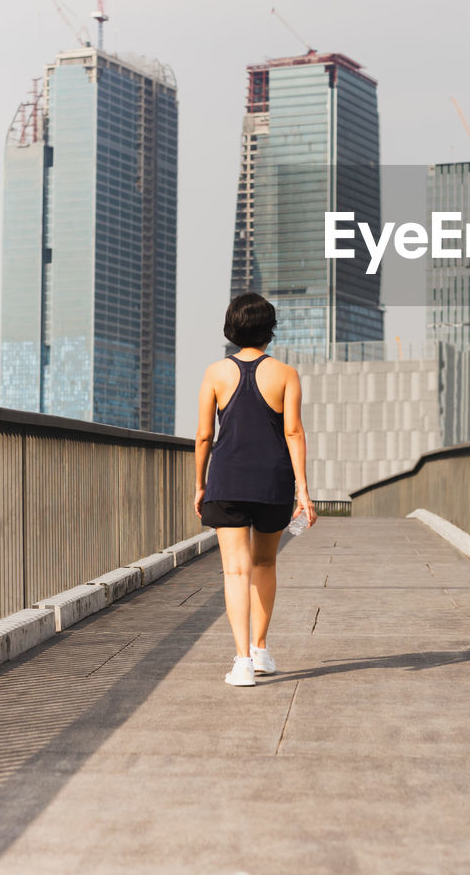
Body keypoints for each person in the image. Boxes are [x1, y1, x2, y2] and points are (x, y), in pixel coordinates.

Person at [194, 292, 317, 687]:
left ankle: (243, 661)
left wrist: (199, 484)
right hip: (274, 482)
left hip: (227, 479)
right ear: (269, 329)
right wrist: (303, 489)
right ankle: (261, 651)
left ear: (232, 328)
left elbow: (203, 436)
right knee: (265, 564)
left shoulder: (216, 373)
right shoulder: (285, 373)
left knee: (235, 569)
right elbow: (294, 432)